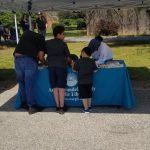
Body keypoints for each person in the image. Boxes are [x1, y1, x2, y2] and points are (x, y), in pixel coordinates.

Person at [13, 27, 46, 114]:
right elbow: (41, 56)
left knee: (22, 82)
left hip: (17, 58)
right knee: (29, 83)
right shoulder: (41, 39)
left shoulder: (26, 33)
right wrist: (44, 62)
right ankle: (32, 106)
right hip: (29, 60)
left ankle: (24, 103)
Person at [46, 25, 70, 114]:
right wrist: (71, 63)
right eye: (63, 34)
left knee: (55, 87)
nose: (64, 36)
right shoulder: (63, 43)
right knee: (61, 87)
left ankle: (57, 106)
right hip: (61, 66)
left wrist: (45, 62)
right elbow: (68, 57)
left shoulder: (47, 43)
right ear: (58, 34)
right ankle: (62, 107)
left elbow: (42, 54)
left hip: (51, 66)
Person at [73, 47, 97, 113]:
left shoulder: (78, 61)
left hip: (81, 81)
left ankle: (86, 109)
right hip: (90, 81)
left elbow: (74, 70)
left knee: (84, 95)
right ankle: (89, 107)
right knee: (89, 94)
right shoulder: (92, 61)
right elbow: (95, 70)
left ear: (83, 52)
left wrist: (73, 65)